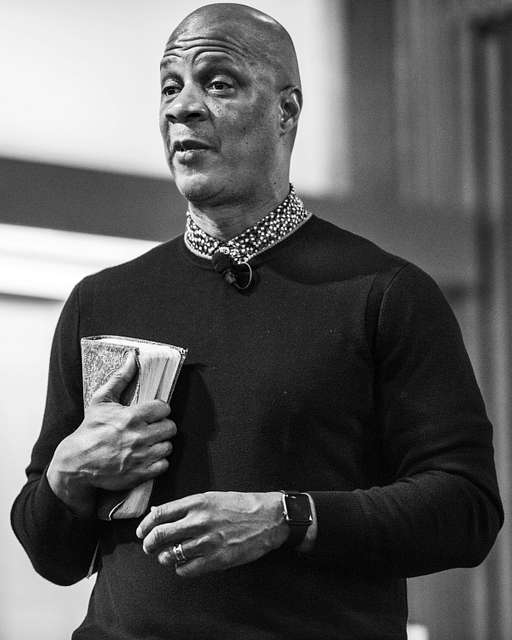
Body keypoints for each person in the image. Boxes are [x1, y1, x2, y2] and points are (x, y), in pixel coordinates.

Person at [11, 4, 503, 639]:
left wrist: (283, 517)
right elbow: (51, 556)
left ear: (286, 110)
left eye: (217, 83)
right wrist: (67, 475)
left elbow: (466, 510)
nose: (181, 108)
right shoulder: (101, 300)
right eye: (169, 86)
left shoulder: (385, 293)